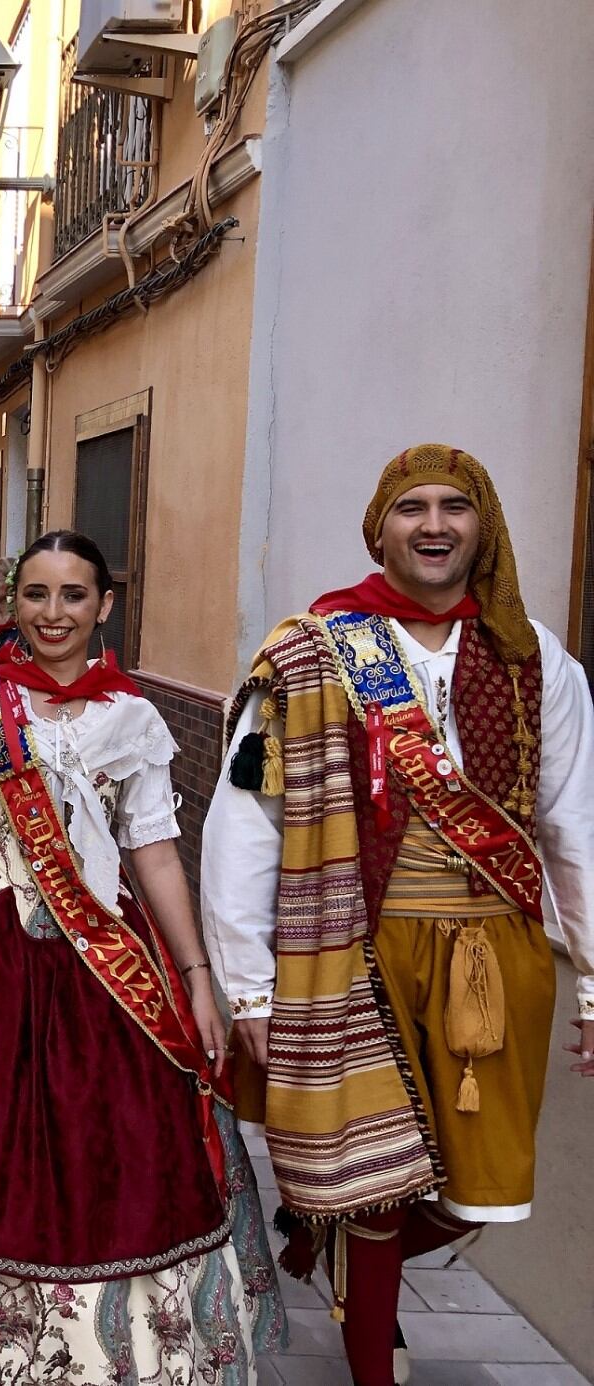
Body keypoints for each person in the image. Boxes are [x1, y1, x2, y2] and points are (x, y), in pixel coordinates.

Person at [0, 531, 285, 1384]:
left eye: (74, 595)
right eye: (36, 595)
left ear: (104, 606)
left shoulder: (133, 716)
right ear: (11, 607)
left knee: (119, 1144)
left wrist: (194, 978)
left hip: (109, 960)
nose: (55, 613)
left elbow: (151, 850)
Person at [200, 445, 594, 1386]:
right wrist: (249, 985)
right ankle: (371, 1356)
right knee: (373, 1191)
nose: (433, 524)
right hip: (353, 949)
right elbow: (243, 823)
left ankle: (335, 1251)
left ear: (482, 525)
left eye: (455, 506)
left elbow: (572, 818)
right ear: (379, 527)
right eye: (410, 507)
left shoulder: (537, 658)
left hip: (498, 955)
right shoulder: (312, 650)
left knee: (479, 1194)